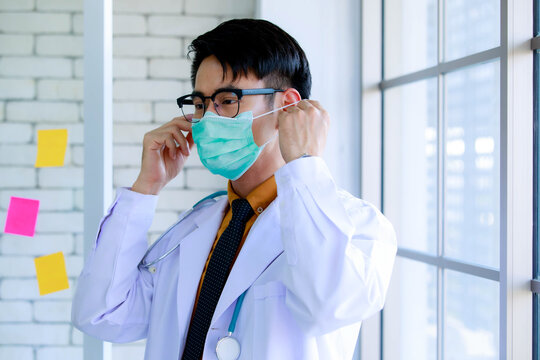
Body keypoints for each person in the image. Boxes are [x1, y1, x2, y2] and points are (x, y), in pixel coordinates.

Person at [72, 18, 397, 360]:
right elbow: (103, 314)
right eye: (200, 104)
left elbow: (327, 304)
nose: (207, 119)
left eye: (227, 100)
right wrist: (145, 188)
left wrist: (304, 161)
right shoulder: (194, 228)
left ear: (287, 105)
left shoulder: (357, 226)